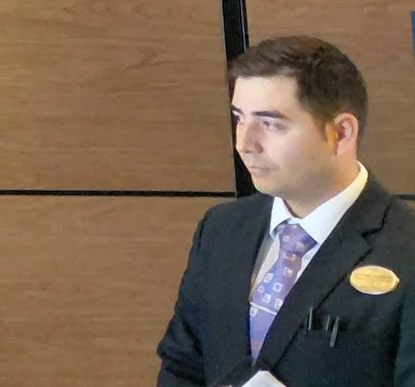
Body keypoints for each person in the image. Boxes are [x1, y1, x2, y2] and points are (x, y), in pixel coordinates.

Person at [157, 36, 415, 387]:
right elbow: (181, 366)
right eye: (239, 118)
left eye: (271, 123)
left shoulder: (405, 249)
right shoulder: (221, 229)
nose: (244, 143)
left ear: (341, 133)